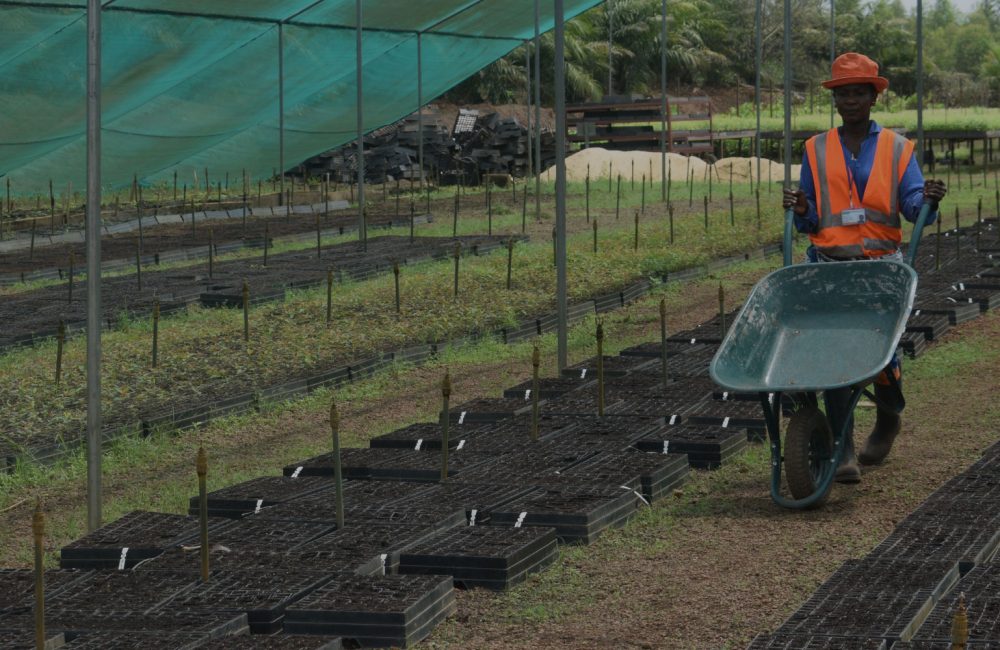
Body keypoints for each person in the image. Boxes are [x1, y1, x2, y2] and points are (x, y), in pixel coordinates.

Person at [782, 52, 947, 484]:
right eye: (843, 94)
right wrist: (802, 207)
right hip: (829, 267)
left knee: (879, 357)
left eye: (858, 93)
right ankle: (843, 450)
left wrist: (928, 198)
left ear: (873, 97)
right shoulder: (815, 150)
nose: (850, 101)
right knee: (834, 352)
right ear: (835, 100)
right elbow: (811, 217)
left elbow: (913, 208)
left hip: (880, 270)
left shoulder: (897, 149)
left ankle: (890, 416)